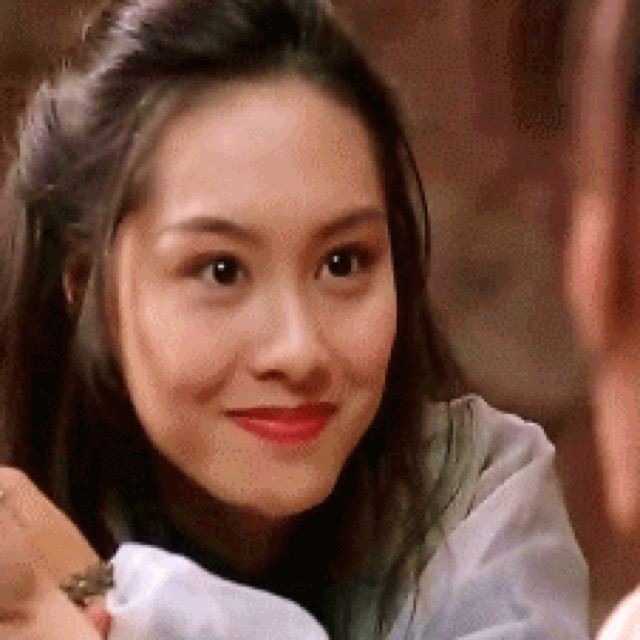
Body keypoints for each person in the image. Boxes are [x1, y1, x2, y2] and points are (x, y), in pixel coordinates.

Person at [0, 0, 588, 638]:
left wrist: (119, 603)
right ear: (88, 286)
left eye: (343, 263)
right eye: (221, 270)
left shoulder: (475, 493)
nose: (300, 350)